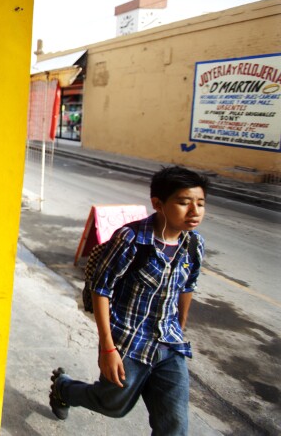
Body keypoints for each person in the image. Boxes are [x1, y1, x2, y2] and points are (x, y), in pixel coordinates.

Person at [49, 166, 209, 435]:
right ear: (158, 204)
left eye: (201, 203)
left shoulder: (194, 244)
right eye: (183, 203)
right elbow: (101, 290)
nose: (194, 211)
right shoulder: (131, 239)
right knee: (113, 405)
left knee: (175, 426)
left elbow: (187, 286)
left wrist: (179, 326)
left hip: (169, 344)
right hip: (128, 341)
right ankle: (64, 388)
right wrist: (107, 348)